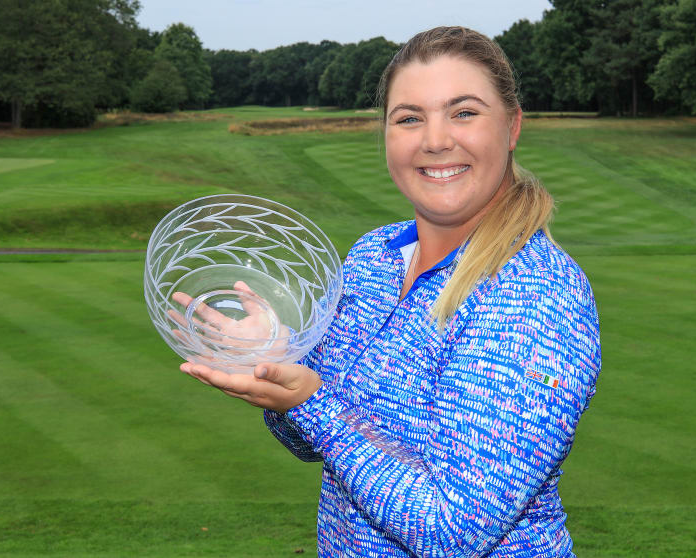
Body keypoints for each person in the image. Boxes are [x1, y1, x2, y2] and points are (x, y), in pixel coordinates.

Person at [179, 26, 602, 558]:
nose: (435, 139)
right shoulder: (374, 257)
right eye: (409, 118)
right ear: (386, 134)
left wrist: (311, 403)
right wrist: (279, 359)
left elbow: (452, 532)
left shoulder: (538, 296)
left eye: (464, 112)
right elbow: (314, 444)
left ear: (512, 126)